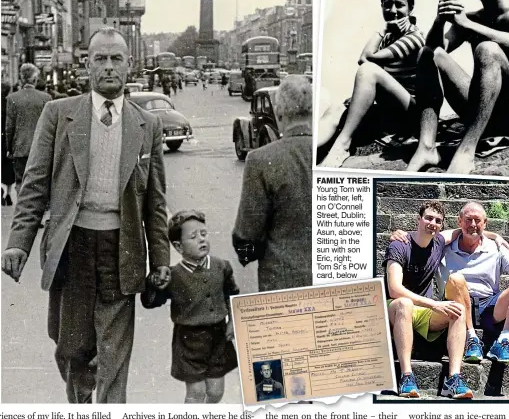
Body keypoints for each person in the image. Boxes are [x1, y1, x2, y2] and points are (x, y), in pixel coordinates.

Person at [1, 27, 171, 403]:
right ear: (87, 64)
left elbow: (155, 201)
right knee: (71, 350)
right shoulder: (58, 114)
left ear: (129, 65)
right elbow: (34, 187)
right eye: (100, 59)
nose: (108, 67)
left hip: (121, 249)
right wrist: (18, 245)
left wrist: (160, 259)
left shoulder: (147, 125)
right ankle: (80, 396)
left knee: (114, 356)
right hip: (72, 247)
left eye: (116, 59)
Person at [407, 0, 509, 174]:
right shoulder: (472, 18)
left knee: (488, 49)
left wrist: (468, 26)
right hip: (483, 110)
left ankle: (466, 152)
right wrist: (440, 20)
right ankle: (426, 146)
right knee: (429, 54)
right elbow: (434, 50)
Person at [317, 0, 425, 168]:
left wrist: (381, 31)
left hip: (412, 113)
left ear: (410, 8)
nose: (392, 10)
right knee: (336, 109)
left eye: (399, 5)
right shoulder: (390, 38)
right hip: (391, 110)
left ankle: (342, 145)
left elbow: (365, 60)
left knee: (368, 70)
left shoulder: (414, 36)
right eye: (387, 4)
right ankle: (308, 150)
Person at [141, 210, 239, 403]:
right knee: (196, 393)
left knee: (216, 392)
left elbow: (232, 296)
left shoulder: (222, 266)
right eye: (193, 237)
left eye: (204, 234)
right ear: (178, 246)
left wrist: (232, 322)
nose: (201, 240)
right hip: (188, 342)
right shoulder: (173, 276)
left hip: (219, 338)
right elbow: (151, 302)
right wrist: (152, 284)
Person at [384, 201, 473, 399]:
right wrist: (434, 304)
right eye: (429, 218)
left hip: (422, 312)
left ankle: (454, 379)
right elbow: (394, 289)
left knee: (457, 309)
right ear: (419, 219)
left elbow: (464, 230)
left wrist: (495, 236)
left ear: (441, 225)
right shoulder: (400, 244)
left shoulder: (439, 241)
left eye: (438, 221)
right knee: (405, 303)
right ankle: (407, 376)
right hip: (394, 308)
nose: (433, 223)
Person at [232, 75, 312, 291]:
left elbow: (247, 234)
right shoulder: (329, 156)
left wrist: (247, 255)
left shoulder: (260, 160)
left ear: (279, 113)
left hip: (282, 283)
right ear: (312, 112)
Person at [434, 202, 509, 365]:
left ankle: (502, 342)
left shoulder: (495, 247)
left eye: (477, 220)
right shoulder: (444, 247)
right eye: (468, 220)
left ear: (485, 223)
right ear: (459, 222)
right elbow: (422, 239)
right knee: (457, 279)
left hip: (489, 306)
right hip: (455, 305)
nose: (473, 224)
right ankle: (471, 339)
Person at [5, 63, 51, 193]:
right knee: (39, 181)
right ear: (35, 79)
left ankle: (22, 208)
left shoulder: (12, 98)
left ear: (21, 78)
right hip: (40, 147)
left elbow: (9, 126)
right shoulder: (46, 98)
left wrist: (9, 148)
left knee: (21, 180)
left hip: (20, 147)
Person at [1, 83, 15, 206]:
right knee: (8, 168)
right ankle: (8, 194)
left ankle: (1, 190)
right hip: (6, 139)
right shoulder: (10, 103)